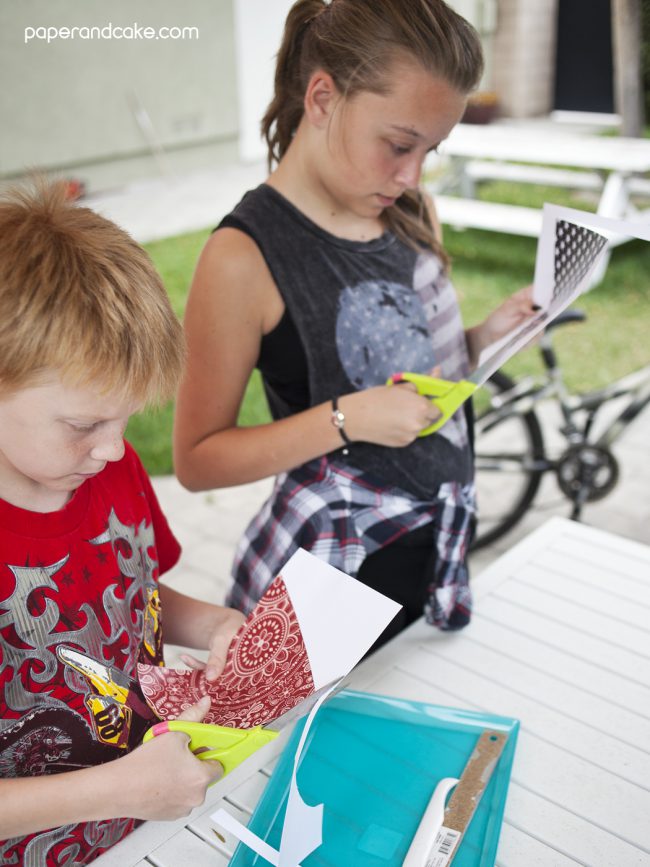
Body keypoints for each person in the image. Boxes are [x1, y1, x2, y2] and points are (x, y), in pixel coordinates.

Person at [174, 0, 536, 642]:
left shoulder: (407, 209)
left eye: (431, 149)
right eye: (398, 144)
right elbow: (198, 462)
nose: (412, 174)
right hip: (328, 579)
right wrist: (346, 420)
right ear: (321, 98)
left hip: (436, 550)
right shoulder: (243, 257)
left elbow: (416, 373)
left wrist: (481, 340)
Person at [0, 181, 246, 866]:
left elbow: (132, 595)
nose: (113, 448)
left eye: (126, 418)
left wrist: (214, 625)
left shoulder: (110, 469)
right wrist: (121, 787)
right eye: (84, 424)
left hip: (154, 817)